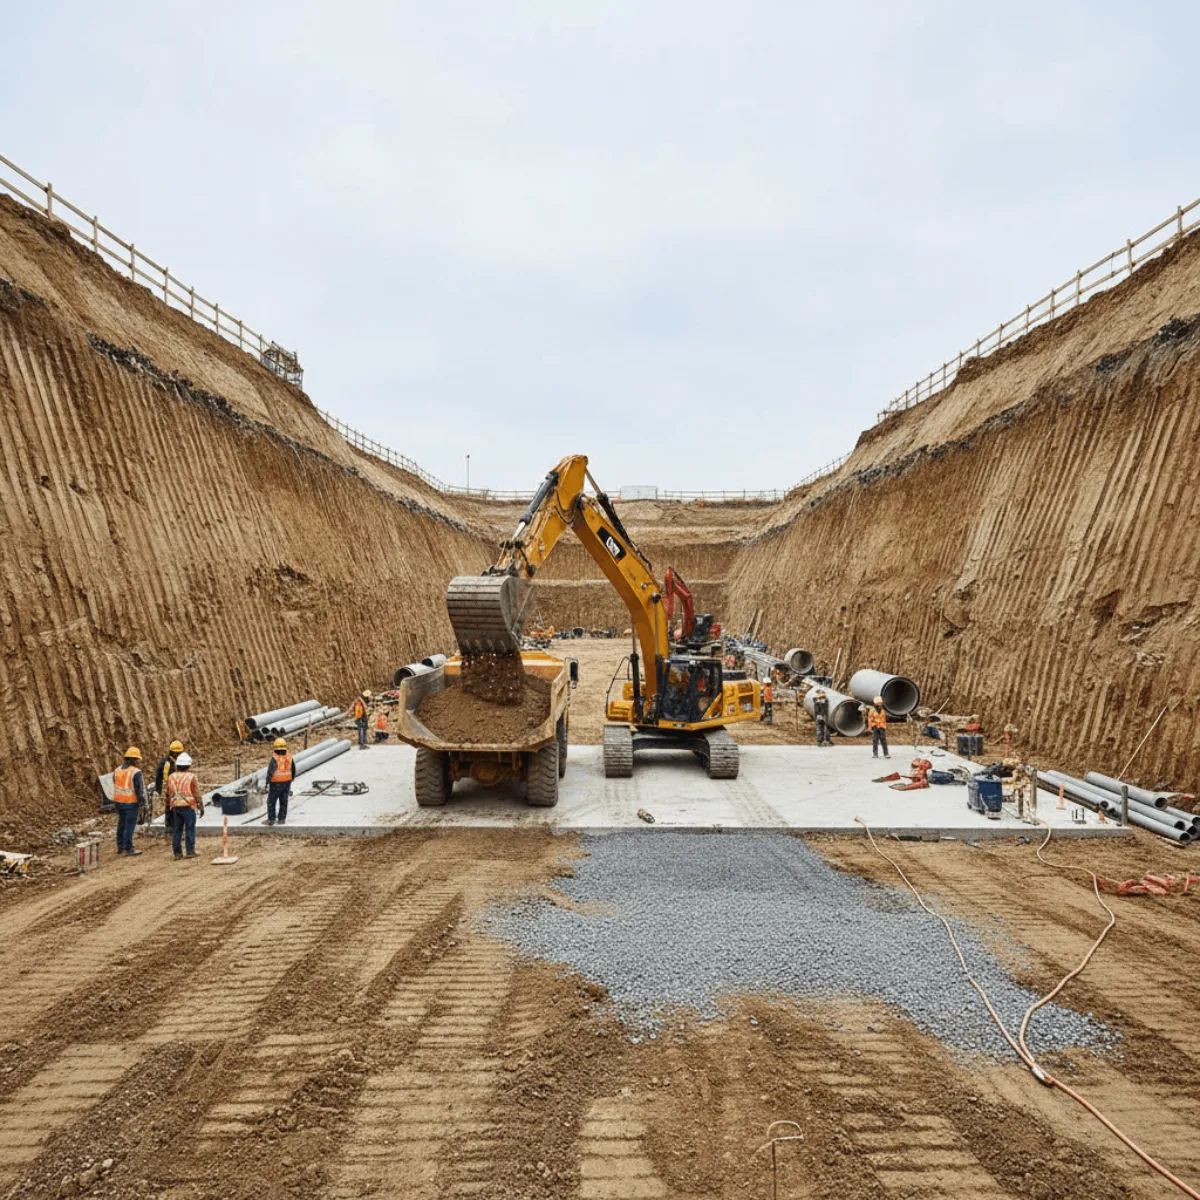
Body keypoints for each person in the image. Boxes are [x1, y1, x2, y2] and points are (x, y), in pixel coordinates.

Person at [166, 752, 203, 859]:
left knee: (177, 830)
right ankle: (190, 851)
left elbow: (167, 793)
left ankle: (177, 853)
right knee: (189, 829)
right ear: (188, 765)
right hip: (188, 807)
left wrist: (168, 807)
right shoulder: (191, 777)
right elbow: (196, 793)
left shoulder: (171, 777)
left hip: (175, 807)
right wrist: (201, 806)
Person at [112, 747, 147, 857]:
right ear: (133, 759)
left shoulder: (117, 770)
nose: (139, 762)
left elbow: (115, 783)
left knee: (121, 824)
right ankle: (129, 848)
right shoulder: (136, 772)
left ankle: (120, 847)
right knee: (129, 826)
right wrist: (143, 804)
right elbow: (140, 790)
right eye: (137, 759)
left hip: (118, 802)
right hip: (131, 802)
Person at [154, 740, 184, 826]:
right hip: (171, 789)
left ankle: (170, 825)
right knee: (173, 808)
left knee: (171, 808)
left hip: (174, 789)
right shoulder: (168, 763)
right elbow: (158, 777)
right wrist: (158, 791)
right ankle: (172, 826)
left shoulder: (166, 762)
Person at [266, 738, 294, 826]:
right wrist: (290, 779)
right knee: (284, 801)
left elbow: (271, 770)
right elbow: (293, 769)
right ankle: (281, 819)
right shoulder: (289, 757)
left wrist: (267, 781)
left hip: (275, 783)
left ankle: (271, 820)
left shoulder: (275, 758)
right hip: (286, 783)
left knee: (271, 801)